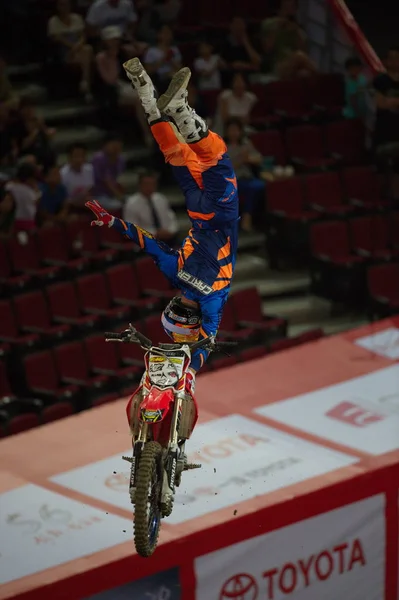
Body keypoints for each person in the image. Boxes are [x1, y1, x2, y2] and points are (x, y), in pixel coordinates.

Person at [86, 59, 239, 394]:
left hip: (221, 214)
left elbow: (207, 343)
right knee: (175, 153)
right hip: (195, 209)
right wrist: (113, 222)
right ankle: (143, 90)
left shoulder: (213, 299)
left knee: (217, 155)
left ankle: (181, 108)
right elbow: (147, 241)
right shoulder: (175, 274)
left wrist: (191, 372)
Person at [95, 26, 152, 144]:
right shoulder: (102, 58)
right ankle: (147, 134)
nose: (115, 42)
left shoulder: (126, 51)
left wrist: (131, 40)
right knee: (140, 100)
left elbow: (144, 48)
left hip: (131, 85)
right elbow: (109, 79)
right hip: (117, 89)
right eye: (112, 39)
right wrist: (114, 59)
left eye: (117, 39)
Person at [47, 0, 94, 101]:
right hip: (65, 52)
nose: (64, 7)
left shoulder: (77, 18)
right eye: (61, 5)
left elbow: (83, 36)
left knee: (88, 49)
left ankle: (85, 83)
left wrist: (77, 46)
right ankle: (86, 86)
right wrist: (73, 47)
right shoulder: (53, 21)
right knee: (86, 55)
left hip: (79, 49)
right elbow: (57, 39)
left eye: (66, 5)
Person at [259, 0, 316, 80]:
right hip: (279, 65)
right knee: (299, 56)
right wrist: (279, 27)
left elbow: (305, 52)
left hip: (297, 65)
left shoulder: (297, 28)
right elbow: (267, 49)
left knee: (304, 73)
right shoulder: (269, 23)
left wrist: (296, 31)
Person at [224, 118, 264, 232]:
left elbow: (259, 159)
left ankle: (248, 217)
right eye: (231, 130)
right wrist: (241, 160)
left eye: (236, 130)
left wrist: (249, 159)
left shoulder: (246, 143)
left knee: (259, 186)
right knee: (252, 188)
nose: (234, 133)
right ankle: (246, 218)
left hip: (247, 177)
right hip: (230, 180)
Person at [123, 170, 179, 243]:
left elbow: (171, 218)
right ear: (139, 185)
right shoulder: (131, 203)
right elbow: (131, 229)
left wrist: (171, 231)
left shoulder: (161, 199)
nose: (149, 187)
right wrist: (155, 233)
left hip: (167, 237)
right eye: (146, 184)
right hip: (146, 241)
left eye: (152, 184)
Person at [373, 47, 399, 199]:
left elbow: (387, 102)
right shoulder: (380, 81)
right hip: (385, 135)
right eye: (393, 58)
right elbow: (381, 103)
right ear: (386, 61)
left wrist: (392, 102)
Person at [11, 97, 56, 169]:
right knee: (31, 159)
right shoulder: (17, 124)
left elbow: (48, 136)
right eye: (27, 108)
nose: (29, 111)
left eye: (31, 108)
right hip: (25, 155)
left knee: (50, 151)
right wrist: (35, 131)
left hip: (40, 151)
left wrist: (44, 128)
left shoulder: (37, 121)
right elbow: (22, 146)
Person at [91, 133, 126, 210]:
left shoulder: (120, 159)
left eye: (118, 146)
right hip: (98, 195)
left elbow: (119, 179)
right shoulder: (98, 159)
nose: (115, 148)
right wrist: (119, 196)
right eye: (113, 146)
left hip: (113, 195)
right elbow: (106, 181)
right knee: (119, 206)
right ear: (105, 145)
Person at [143, 24, 182, 90]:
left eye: (169, 33)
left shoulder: (174, 50)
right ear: (159, 35)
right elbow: (148, 70)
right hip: (157, 78)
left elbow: (180, 68)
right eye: (165, 33)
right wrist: (163, 59)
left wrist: (171, 60)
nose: (167, 36)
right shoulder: (151, 51)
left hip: (172, 76)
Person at [5, 161, 41, 232]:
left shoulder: (10, 186)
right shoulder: (30, 192)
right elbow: (36, 202)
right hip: (27, 221)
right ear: (29, 179)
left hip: (16, 220)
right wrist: (36, 191)